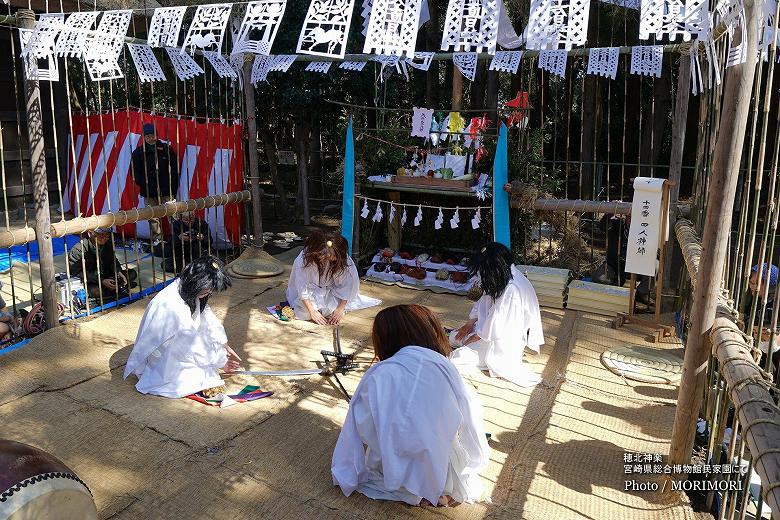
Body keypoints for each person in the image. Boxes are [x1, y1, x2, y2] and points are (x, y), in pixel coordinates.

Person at [332, 304, 490, 507]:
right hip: (441, 463)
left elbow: (361, 426)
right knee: (439, 443)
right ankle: (436, 486)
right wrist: (473, 458)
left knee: (390, 444)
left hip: (392, 463)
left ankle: (409, 484)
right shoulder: (443, 365)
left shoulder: (379, 372)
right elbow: (470, 412)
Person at [123, 255, 242, 398]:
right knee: (202, 374)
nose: (208, 293)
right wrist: (220, 360)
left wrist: (224, 343)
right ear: (196, 282)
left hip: (181, 341)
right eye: (207, 289)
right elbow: (192, 343)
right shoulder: (173, 306)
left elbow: (207, 318)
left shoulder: (186, 287)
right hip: (164, 354)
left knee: (207, 355)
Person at [449, 242, 545, 387]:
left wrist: (473, 339)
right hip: (490, 331)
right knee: (454, 337)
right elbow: (484, 300)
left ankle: (480, 356)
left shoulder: (512, 289)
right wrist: (469, 324)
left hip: (502, 341)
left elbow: (497, 324)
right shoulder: (504, 276)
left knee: (456, 359)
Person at [286, 231, 380, 325]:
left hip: (332, 291)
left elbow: (347, 284)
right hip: (310, 291)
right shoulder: (303, 259)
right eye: (324, 255)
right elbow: (301, 286)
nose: (327, 259)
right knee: (304, 314)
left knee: (333, 311)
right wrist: (312, 312)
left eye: (331, 256)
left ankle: (330, 308)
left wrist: (340, 309)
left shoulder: (341, 257)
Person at [132, 123, 179, 245]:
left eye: (152, 135)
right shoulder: (138, 153)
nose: (150, 138)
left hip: (167, 190)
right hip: (148, 192)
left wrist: (173, 188)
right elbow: (134, 173)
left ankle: (177, 238)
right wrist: (144, 185)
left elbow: (174, 169)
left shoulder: (166, 149)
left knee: (173, 215)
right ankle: (158, 241)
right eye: (147, 136)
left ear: (156, 135)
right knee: (153, 217)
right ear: (144, 137)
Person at [68, 228, 138, 299]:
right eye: (101, 235)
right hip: (91, 280)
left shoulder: (107, 243)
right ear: (90, 233)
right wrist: (102, 281)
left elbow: (113, 260)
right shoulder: (78, 250)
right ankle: (117, 289)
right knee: (95, 291)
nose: (105, 238)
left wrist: (119, 272)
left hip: (107, 275)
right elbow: (77, 273)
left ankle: (115, 289)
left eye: (107, 235)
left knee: (132, 273)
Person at [743, 263, 780, 372]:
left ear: (771, 285)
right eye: (751, 282)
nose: (752, 286)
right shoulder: (756, 299)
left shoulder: (776, 304)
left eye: (757, 283)